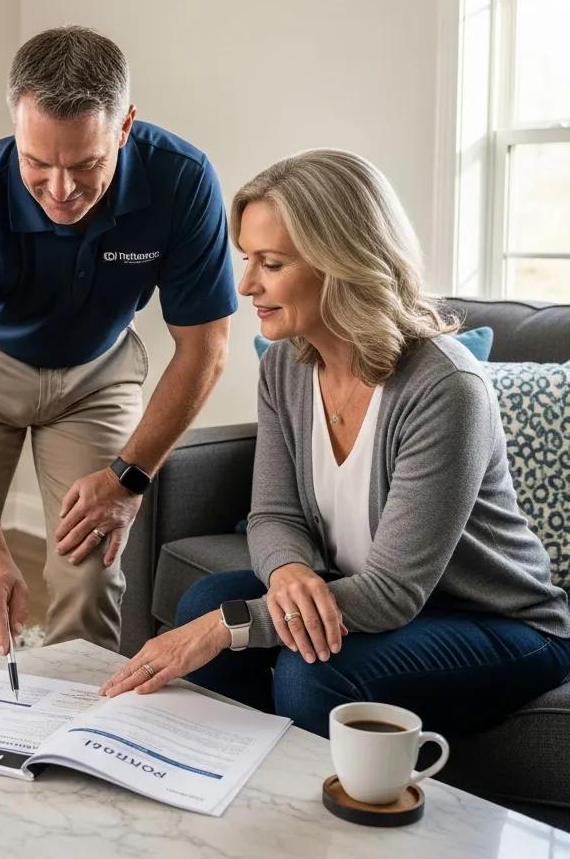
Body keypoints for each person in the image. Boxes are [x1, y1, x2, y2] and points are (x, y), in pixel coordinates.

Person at [100, 148, 570, 738]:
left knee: (310, 672)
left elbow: (393, 593)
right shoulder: (286, 368)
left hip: (499, 623)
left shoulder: (445, 388)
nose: (246, 284)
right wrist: (289, 571)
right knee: (205, 599)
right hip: (364, 586)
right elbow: (272, 513)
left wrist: (230, 626)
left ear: (340, 261)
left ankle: (308, 820)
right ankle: (222, 780)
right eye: (247, 260)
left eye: (269, 263)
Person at [0, 27, 237, 673]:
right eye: (38, 163)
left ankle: (69, 747)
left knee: (90, 579)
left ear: (125, 127)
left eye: (85, 165)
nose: (60, 188)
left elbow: (206, 350)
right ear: (15, 126)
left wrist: (128, 478)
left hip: (98, 375)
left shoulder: (182, 182)